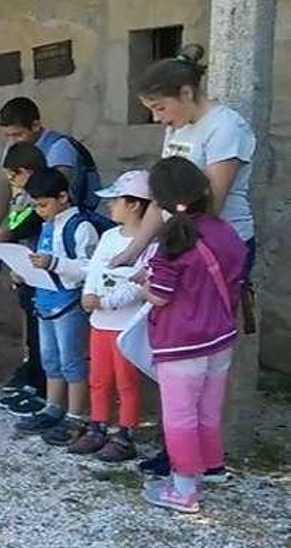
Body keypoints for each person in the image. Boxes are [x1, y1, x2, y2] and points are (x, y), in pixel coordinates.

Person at [122, 44, 255, 482]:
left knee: (194, 355)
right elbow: (167, 193)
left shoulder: (225, 128)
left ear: (185, 92)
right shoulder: (179, 126)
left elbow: (207, 204)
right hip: (179, 243)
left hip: (211, 247)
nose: (159, 119)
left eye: (161, 108)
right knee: (173, 354)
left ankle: (191, 460)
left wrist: (162, 255)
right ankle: (178, 447)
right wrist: (133, 248)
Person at [138, 157, 246, 514]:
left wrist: (142, 284)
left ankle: (184, 489)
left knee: (179, 415)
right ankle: (212, 467)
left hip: (182, 341)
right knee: (208, 410)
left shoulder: (172, 243)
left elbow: (160, 295)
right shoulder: (224, 230)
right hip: (220, 336)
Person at [66, 170, 153, 462]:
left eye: (116, 200)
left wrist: (104, 301)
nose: (110, 206)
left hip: (125, 325)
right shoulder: (108, 236)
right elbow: (95, 269)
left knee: (126, 382)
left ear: (135, 204)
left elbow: (139, 285)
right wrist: (88, 296)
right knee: (99, 378)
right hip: (100, 324)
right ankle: (97, 425)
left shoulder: (149, 244)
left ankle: (126, 433)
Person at [13, 168, 98, 447]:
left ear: (62, 196)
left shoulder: (80, 227)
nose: (39, 211)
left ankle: (75, 415)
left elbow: (90, 269)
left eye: (43, 204)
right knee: (50, 358)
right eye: (35, 205)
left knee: (71, 360)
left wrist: (53, 264)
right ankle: (53, 407)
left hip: (69, 303)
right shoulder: (47, 225)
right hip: (45, 300)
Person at [0, 143, 50, 416]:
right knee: (31, 329)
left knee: (42, 335)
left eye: (13, 176)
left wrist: (8, 233)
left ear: (26, 171)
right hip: (25, 270)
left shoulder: (40, 197)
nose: (12, 183)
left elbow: (21, 226)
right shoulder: (23, 196)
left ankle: (43, 390)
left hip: (41, 273)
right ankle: (32, 380)